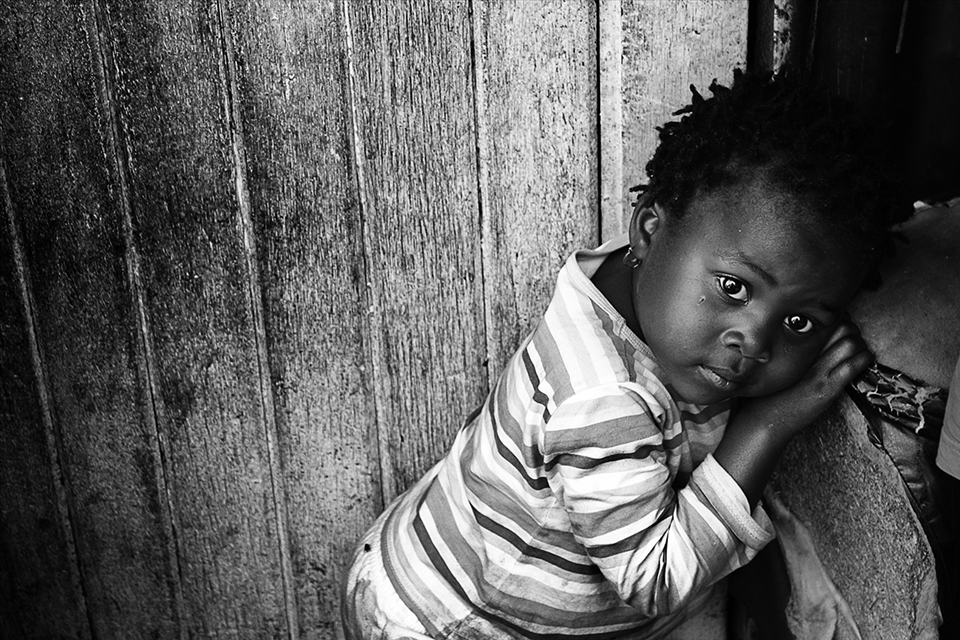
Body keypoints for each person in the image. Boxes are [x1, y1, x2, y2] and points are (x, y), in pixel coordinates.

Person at [341, 68, 912, 639]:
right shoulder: (603, 401)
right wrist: (766, 427)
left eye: (799, 321)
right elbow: (654, 580)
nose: (755, 344)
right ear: (649, 228)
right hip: (454, 623)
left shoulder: (644, 280)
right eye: (734, 288)